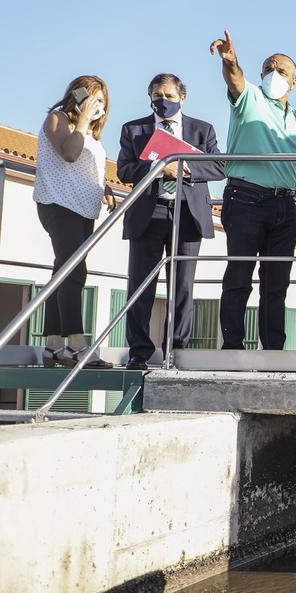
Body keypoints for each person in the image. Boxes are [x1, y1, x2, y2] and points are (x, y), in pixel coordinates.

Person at [208, 30, 296, 351]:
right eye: (268, 69)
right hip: (245, 199)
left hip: (283, 207)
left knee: (276, 284)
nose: (273, 75)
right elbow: (234, 79)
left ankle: (273, 351)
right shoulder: (249, 97)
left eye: (281, 71)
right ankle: (233, 346)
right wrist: (230, 61)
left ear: (294, 82)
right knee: (239, 276)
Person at [116, 73, 224, 370]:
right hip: (148, 214)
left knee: (182, 286)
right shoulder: (134, 129)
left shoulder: (203, 130)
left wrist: (185, 169)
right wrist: (157, 166)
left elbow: (218, 166)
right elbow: (124, 170)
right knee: (140, 285)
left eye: (170, 96)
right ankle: (139, 351)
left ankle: (175, 351)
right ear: (150, 98)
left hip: (187, 214)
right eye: (157, 96)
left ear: (182, 97)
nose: (163, 102)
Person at [33, 76, 118, 368]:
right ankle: (76, 345)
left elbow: (84, 164)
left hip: (83, 209)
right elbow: (69, 153)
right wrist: (81, 120)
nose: (98, 105)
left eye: (101, 101)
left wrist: (103, 188)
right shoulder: (57, 120)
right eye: (92, 98)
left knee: (63, 270)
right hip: (58, 204)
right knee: (74, 271)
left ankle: (53, 345)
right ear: (77, 96)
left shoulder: (92, 136)